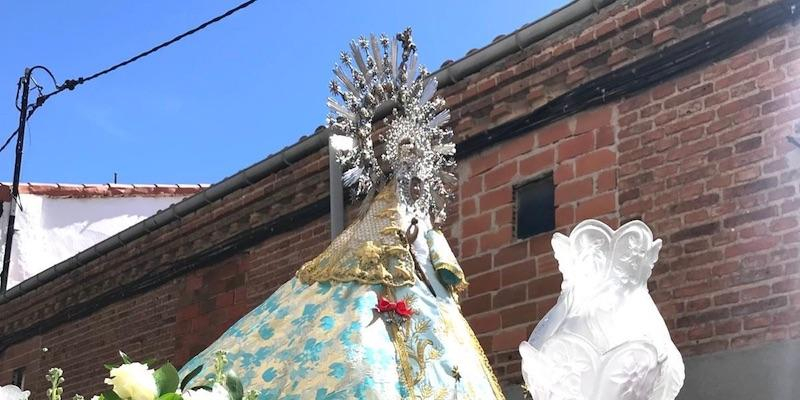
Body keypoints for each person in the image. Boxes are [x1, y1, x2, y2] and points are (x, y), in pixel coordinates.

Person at [180, 29, 505, 399]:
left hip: (426, 297)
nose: (411, 165)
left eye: (416, 155)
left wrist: (426, 242)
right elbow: (381, 239)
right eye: (405, 153)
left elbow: (441, 265)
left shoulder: (423, 214)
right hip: (381, 271)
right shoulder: (385, 202)